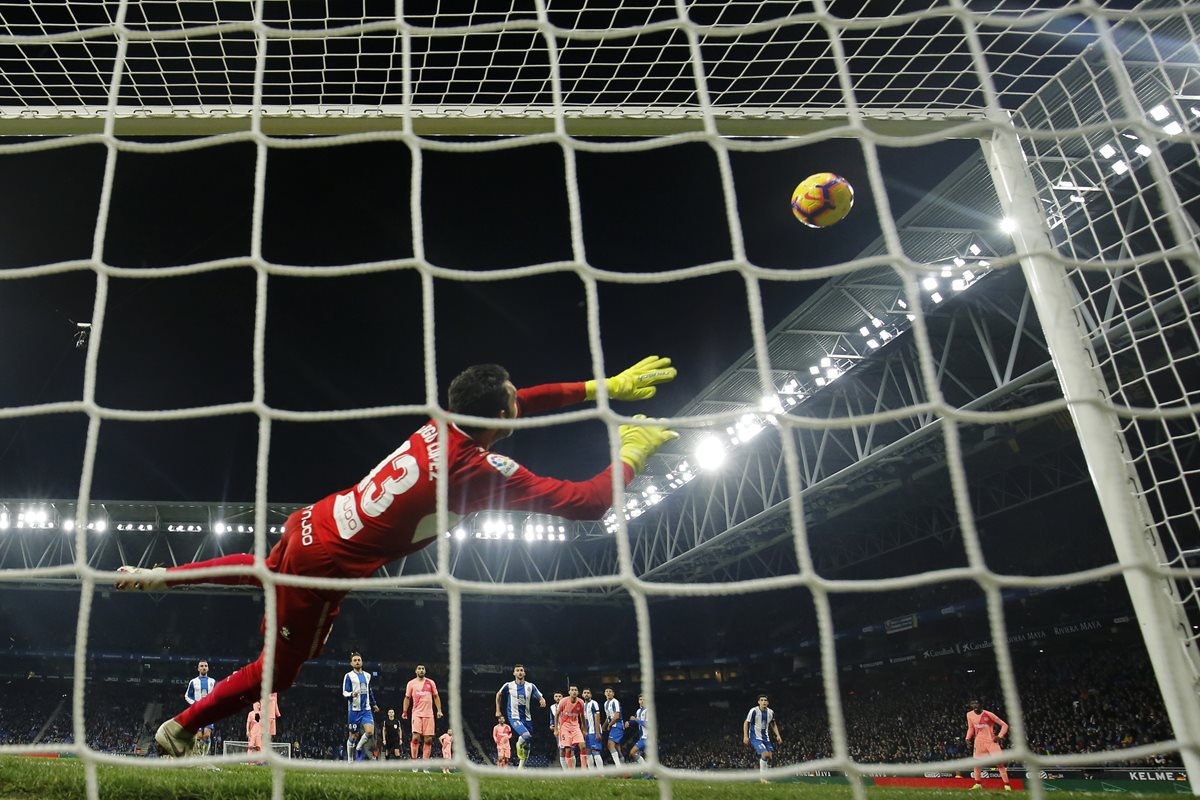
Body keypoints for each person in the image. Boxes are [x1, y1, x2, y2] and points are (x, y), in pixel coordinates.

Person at [114, 357, 678, 757]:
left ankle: (162, 576)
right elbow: (587, 503)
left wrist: (602, 386)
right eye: (513, 401)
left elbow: (521, 401)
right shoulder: (476, 472)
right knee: (276, 673)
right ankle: (179, 728)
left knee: (264, 570)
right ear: (498, 417)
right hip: (326, 568)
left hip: (315, 518)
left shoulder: (442, 423)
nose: (520, 404)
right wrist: (631, 452)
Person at [495, 663, 547, 768]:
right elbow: (498, 694)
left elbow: (539, 696)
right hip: (514, 716)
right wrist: (498, 710)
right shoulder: (508, 685)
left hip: (527, 718)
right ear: (514, 673)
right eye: (517, 670)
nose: (520, 672)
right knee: (526, 736)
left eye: (521, 670)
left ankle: (521, 768)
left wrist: (542, 700)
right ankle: (518, 744)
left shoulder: (530, 686)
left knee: (527, 744)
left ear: (524, 673)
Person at [966, 699, 1012, 790]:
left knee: (999, 763)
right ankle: (978, 784)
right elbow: (971, 728)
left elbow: (1004, 725)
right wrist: (967, 738)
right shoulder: (969, 714)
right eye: (972, 704)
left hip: (991, 742)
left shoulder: (988, 714)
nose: (974, 705)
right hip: (979, 742)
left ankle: (1007, 785)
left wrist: (1000, 736)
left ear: (981, 704)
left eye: (976, 703)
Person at [342, 651, 378, 761]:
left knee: (370, 732)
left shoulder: (367, 675)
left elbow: (369, 691)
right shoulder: (348, 676)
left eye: (359, 660)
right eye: (355, 660)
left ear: (362, 662)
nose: (357, 662)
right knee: (353, 736)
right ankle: (350, 760)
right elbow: (344, 692)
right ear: (351, 663)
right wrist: (351, 694)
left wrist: (374, 704)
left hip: (366, 709)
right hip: (354, 710)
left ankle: (359, 746)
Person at [403, 663, 443, 763]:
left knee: (428, 739)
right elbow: (407, 698)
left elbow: (436, 697)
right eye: (419, 669)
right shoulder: (411, 683)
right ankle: (414, 761)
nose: (421, 670)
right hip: (416, 713)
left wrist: (439, 710)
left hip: (429, 714)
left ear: (425, 671)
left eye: (423, 669)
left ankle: (425, 763)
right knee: (416, 737)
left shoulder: (431, 683)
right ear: (416, 671)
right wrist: (405, 711)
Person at [743, 694, 782, 781]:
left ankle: (765, 777)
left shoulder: (771, 712)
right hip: (755, 737)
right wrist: (745, 736)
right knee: (765, 754)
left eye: (765, 700)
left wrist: (778, 735)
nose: (764, 702)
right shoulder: (753, 711)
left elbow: (773, 724)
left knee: (770, 756)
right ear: (758, 702)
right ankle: (763, 778)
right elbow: (746, 722)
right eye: (762, 700)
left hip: (766, 738)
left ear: (768, 702)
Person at [184, 660, 217, 756]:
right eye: (201, 666)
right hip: (196, 712)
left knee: (206, 735)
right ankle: (197, 755)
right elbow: (187, 696)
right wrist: (194, 703)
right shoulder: (193, 682)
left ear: (208, 668)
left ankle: (203, 756)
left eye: (205, 666)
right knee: (198, 736)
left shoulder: (213, 681)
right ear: (198, 668)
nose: (204, 667)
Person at [556, 686, 587, 769]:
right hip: (565, 727)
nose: (574, 692)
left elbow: (582, 716)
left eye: (575, 690)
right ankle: (570, 771)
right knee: (568, 749)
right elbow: (557, 714)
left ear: (578, 692)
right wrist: (556, 729)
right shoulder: (563, 701)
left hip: (575, 727)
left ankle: (584, 769)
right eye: (572, 690)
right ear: (569, 692)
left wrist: (584, 728)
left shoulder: (580, 702)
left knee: (583, 746)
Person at [581, 688, 604, 769]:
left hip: (594, 731)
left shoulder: (594, 703)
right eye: (585, 693)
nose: (586, 694)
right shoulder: (582, 705)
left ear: (591, 695)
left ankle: (601, 773)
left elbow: (597, 717)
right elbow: (583, 720)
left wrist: (597, 733)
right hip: (587, 732)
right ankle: (592, 773)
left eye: (588, 693)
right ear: (582, 695)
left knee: (595, 751)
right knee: (588, 751)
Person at [603, 687, 625, 765]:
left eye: (610, 691)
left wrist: (609, 725)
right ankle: (624, 769)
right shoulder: (605, 703)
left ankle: (618, 768)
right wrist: (604, 726)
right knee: (617, 748)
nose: (608, 693)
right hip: (613, 726)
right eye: (606, 691)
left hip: (617, 725)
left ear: (613, 693)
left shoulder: (615, 702)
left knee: (610, 744)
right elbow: (608, 717)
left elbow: (616, 716)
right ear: (604, 693)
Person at [629, 694, 648, 764]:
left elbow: (647, 724)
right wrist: (629, 723)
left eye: (644, 699)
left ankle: (647, 770)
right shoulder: (638, 711)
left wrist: (636, 719)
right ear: (638, 701)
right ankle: (649, 773)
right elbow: (635, 721)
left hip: (647, 737)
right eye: (640, 699)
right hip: (641, 737)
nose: (642, 701)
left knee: (633, 752)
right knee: (643, 756)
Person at [549, 691, 564, 768]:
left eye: (559, 696)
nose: (558, 698)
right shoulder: (552, 707)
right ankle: (564, 767)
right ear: (554, 698)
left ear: (562, 697)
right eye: (556, 696)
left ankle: (570, 767)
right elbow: (551, 718)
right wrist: (551, 725)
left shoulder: (566, 705)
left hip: (566, 729)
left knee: (568, 748)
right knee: (560, 747)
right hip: (558, 730)